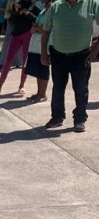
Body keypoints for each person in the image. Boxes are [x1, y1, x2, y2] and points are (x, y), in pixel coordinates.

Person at [41, 0, 99, 132]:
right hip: (58, 55)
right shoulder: (55, 6)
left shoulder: (92, 4)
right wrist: (43, 53)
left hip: (81, 55)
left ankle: (79, 119)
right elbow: (46, 31)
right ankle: (57, 117)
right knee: (58, 88)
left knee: (81, 89)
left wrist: (96, 48)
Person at [0, 0, 39, 95]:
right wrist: (16, 11)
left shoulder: (34, 7)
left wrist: (28, 14)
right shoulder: (18, 4)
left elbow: (38, 20)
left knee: (25, 61)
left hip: (27, 35)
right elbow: (11, 20)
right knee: (8, 60)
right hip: (16, 35)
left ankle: (22, 86)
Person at [24, 0, 53, 102]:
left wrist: (37, 28)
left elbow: (47, 28)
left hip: (45, 44)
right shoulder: (43, 10)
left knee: (43, 68)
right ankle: (39, 92)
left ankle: (43, 94)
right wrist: (35, 27)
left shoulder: (53, 9)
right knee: (37, 69)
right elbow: (37, 24)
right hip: (36, 44)